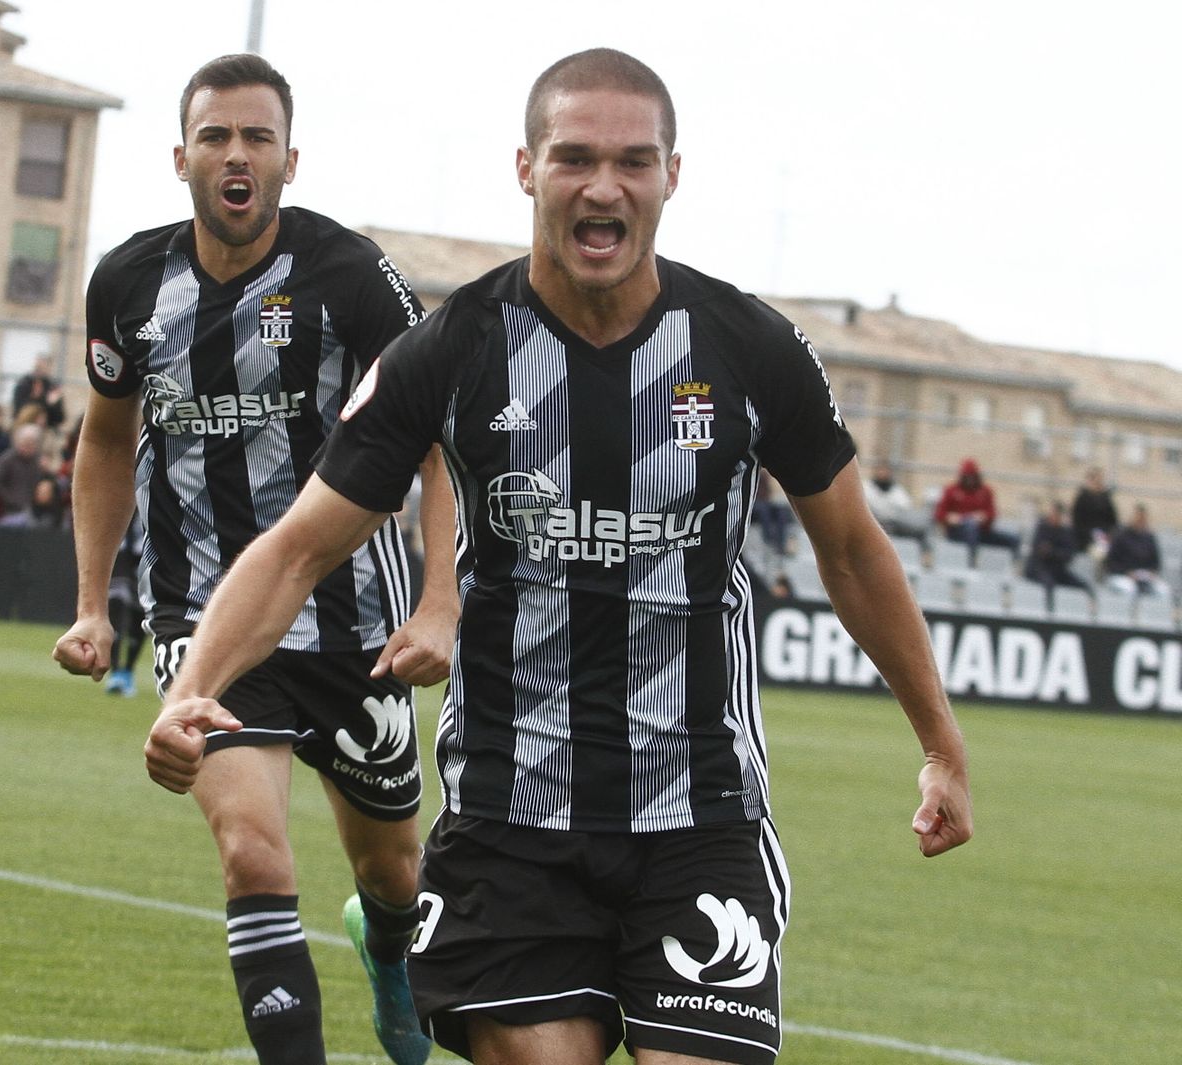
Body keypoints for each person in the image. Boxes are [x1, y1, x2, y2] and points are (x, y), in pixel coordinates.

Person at [142, 49, 973, 1065]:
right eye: (574, 157)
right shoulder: (450, 351)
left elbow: (850, 553)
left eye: (633, 161)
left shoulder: (748, 350)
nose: (603, 185)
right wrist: (198, 686)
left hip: (697, 815)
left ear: (672, 176)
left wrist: (938, 742)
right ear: (527, 169)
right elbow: (294, 551)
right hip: (509, 822)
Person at [52, 54, 456, 1065]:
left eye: (256, 137)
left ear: (289, 158)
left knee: (394, 874)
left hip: (356, 616)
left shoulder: (351, 279)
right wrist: (94, 605)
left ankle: (388, 954)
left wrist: (441, 599)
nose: (236, 155)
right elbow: (105, 442)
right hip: (207, 620)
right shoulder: (128, 283)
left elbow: (440, 438)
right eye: (217, 136)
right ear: (180, 156)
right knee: (249, 849)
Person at [933, 458, 1019, 565]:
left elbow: (992, 513)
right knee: (970, 526)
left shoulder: (986, 491)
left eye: (972, 476)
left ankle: (1011, 566)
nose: (970, 480)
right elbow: (939, 514)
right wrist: (951, 518)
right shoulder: (951, 490)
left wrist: (983, 517)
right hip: (958, 532)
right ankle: (971, 563)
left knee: (1013, 539)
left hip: (982, 532)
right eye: (967, 476)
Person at [103, 515, 148, 697]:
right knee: (115, 607)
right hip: (119, 555)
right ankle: (115, 672)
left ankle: (128, 670)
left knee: (139, 615)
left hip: (145, 556)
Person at [1023, 501, 1090, 609]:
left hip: (1058, 570)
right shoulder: (1042, 528)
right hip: (1038, 568)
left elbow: (1068, 555)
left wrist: (1051, 552)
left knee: (1084, 585)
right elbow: (1039, 551)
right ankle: (1050, 612)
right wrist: (1055, 553)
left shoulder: (1066, 533)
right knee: (1049, 583)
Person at [1104, 504, 1171, 599]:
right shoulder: (1120, 536)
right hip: (1121, 575)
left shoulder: (1149, 538)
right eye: (1138, 517)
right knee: (1130, 589)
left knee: (1163, 591)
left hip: (1144, 576)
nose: (1140, 521)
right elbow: (1111, 561)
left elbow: (1156, 562)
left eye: (1143, 518)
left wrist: (1151, 572)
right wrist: (1127, 572)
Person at [864, 458, 930, 551]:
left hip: (895, 524)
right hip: (874, 523)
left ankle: (926, 555)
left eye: (886, 470)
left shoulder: (897, 490)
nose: (883, 473)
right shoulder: (867, 487)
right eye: (881, 470)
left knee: (922, 529)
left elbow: (905, 508)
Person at [0, 422, 45, 526]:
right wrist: (10, 499)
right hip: (8, 511)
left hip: (30, 508)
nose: (28, 447)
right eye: (26, 443)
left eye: (32, 444)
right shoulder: (7, 459)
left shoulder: (36, 462)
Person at [1069, 466, 1118, 557]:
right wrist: (1091, 535)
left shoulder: (1105, 498)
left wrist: (1108, 535)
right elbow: (1077, 522)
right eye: (1097, 480)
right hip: (1085, 539)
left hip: (1104, 537)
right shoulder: (1082, 498)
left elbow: (1113, 520)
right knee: (1098, 553)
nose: (1100, 483)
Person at [11, 357, 66, 429]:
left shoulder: (52, 388)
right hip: (24, 426)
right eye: (37, 367)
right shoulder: (24, 384)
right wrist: (43, 401)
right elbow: (18, 409)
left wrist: (52, 405)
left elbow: (59, 418)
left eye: (42, 367)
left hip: (45, 428)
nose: (39, 370)